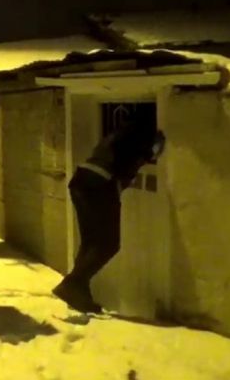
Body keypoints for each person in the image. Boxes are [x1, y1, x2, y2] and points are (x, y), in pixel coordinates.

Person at [52, 115, 166, 313]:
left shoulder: (118, 134)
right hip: (101, 183)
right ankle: (72, 284)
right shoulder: (143, 137)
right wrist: (153, 150)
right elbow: (145, 155)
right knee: (108, 244)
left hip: (81, 179)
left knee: (91, 242)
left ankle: (80, 294)